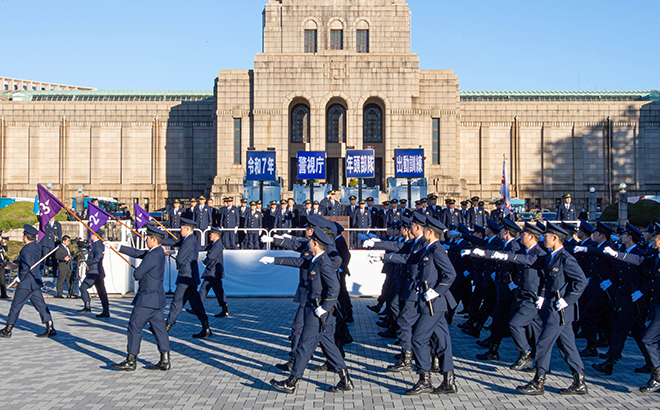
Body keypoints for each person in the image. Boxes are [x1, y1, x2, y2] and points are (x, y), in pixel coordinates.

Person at [263, 226, 354, 394]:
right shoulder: (316, 259)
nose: (309, 242)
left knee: (305, 346)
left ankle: (291, 382)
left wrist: (325, 308)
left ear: (316, 244)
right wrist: (274, 259)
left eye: (311, 241)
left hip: (317, 311)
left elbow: (334, 287)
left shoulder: (324, 263)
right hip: (318, 310)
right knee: (329, 346)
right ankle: (346, 380)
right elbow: (298, 262)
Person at [507, 222, 588, 396]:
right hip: (554, 308)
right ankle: (579, 381)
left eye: (546, 236)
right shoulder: (552, 256)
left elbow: (581, 281)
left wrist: (567, 300)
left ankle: (538, 381)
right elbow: (549, 281)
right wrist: (543, 295)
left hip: (560, 311)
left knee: (544, 344)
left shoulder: (566, 258)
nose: (543, 239)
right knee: (567, 347)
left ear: (555, 238)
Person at [403, 215, 458, 395]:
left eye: (425, 229)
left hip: (433, 303)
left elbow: (450, 274)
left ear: (430, 232)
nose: (423, 231)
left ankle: (424, 379)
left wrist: (436, 291)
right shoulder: (428, 249)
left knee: (418, 339)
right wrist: (385, 255)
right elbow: (410, 258)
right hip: (433, 303)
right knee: (443, 342)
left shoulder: (437, 250)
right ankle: (449, 381)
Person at [110, 225, 171, 371]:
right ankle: (165, 359)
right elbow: (138, 253)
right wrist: (118, 247)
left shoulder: (152, 255)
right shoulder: (159, 252)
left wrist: (137, 271)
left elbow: (138, 274)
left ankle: (131, 360)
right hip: (156, 298)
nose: (146, 239)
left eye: (147, 238)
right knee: (159, 329)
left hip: (146, 299)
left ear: (154, 239)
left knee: (134, 326)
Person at [1, 225, 56, 338]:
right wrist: (16, 262)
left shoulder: (25, 249)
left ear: (25, 237)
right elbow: (27, 261)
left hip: (25, 283)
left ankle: (8, 329)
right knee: (41, 306)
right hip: (35, 282)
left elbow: (26, 267)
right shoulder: (37, 247)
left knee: (16, 306)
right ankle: (50, 327)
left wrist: (20, 277)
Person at [162, 218, 211, 338]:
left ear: (187, 229)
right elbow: (175, 243)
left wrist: (178, 262)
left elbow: (180, 258)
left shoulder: (188, 241)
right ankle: (206, 327)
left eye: (182, 228)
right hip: (191, 277)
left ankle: (166, 326)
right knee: (196, 304)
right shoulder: (189, 239)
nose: (180, 230)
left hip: (186, 277)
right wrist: (160, 242)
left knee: (176, 302)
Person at [640, 222, 660, 392]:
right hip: (656, 304)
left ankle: (657, 377)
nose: (652, 239)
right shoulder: (655, 256)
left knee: (648, 339)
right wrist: (616, 254)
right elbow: (639, 260)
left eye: (656, 237)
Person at [77, 229, 110, 318]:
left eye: (91, 234)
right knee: (101, 292)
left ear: (95, 235)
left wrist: (88, 263)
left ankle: (87, 307)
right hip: (96, 272)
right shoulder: (95, 244)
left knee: (83, 287)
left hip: (94, 272)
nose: (90, 236)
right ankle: (105, 310)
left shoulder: (97, 245)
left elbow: (98, 257)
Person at [199, 227, 228, 318]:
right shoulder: (214, 244)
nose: (209, 235)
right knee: (219, 292)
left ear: (216, 235)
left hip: (213, 272)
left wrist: (205, 262)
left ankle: (197, 308)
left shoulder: (217, 245)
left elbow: (211, 256)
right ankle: (225, 310)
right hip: (215, 273)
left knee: (203, 290)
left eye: (211, 234)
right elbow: (205, 247)